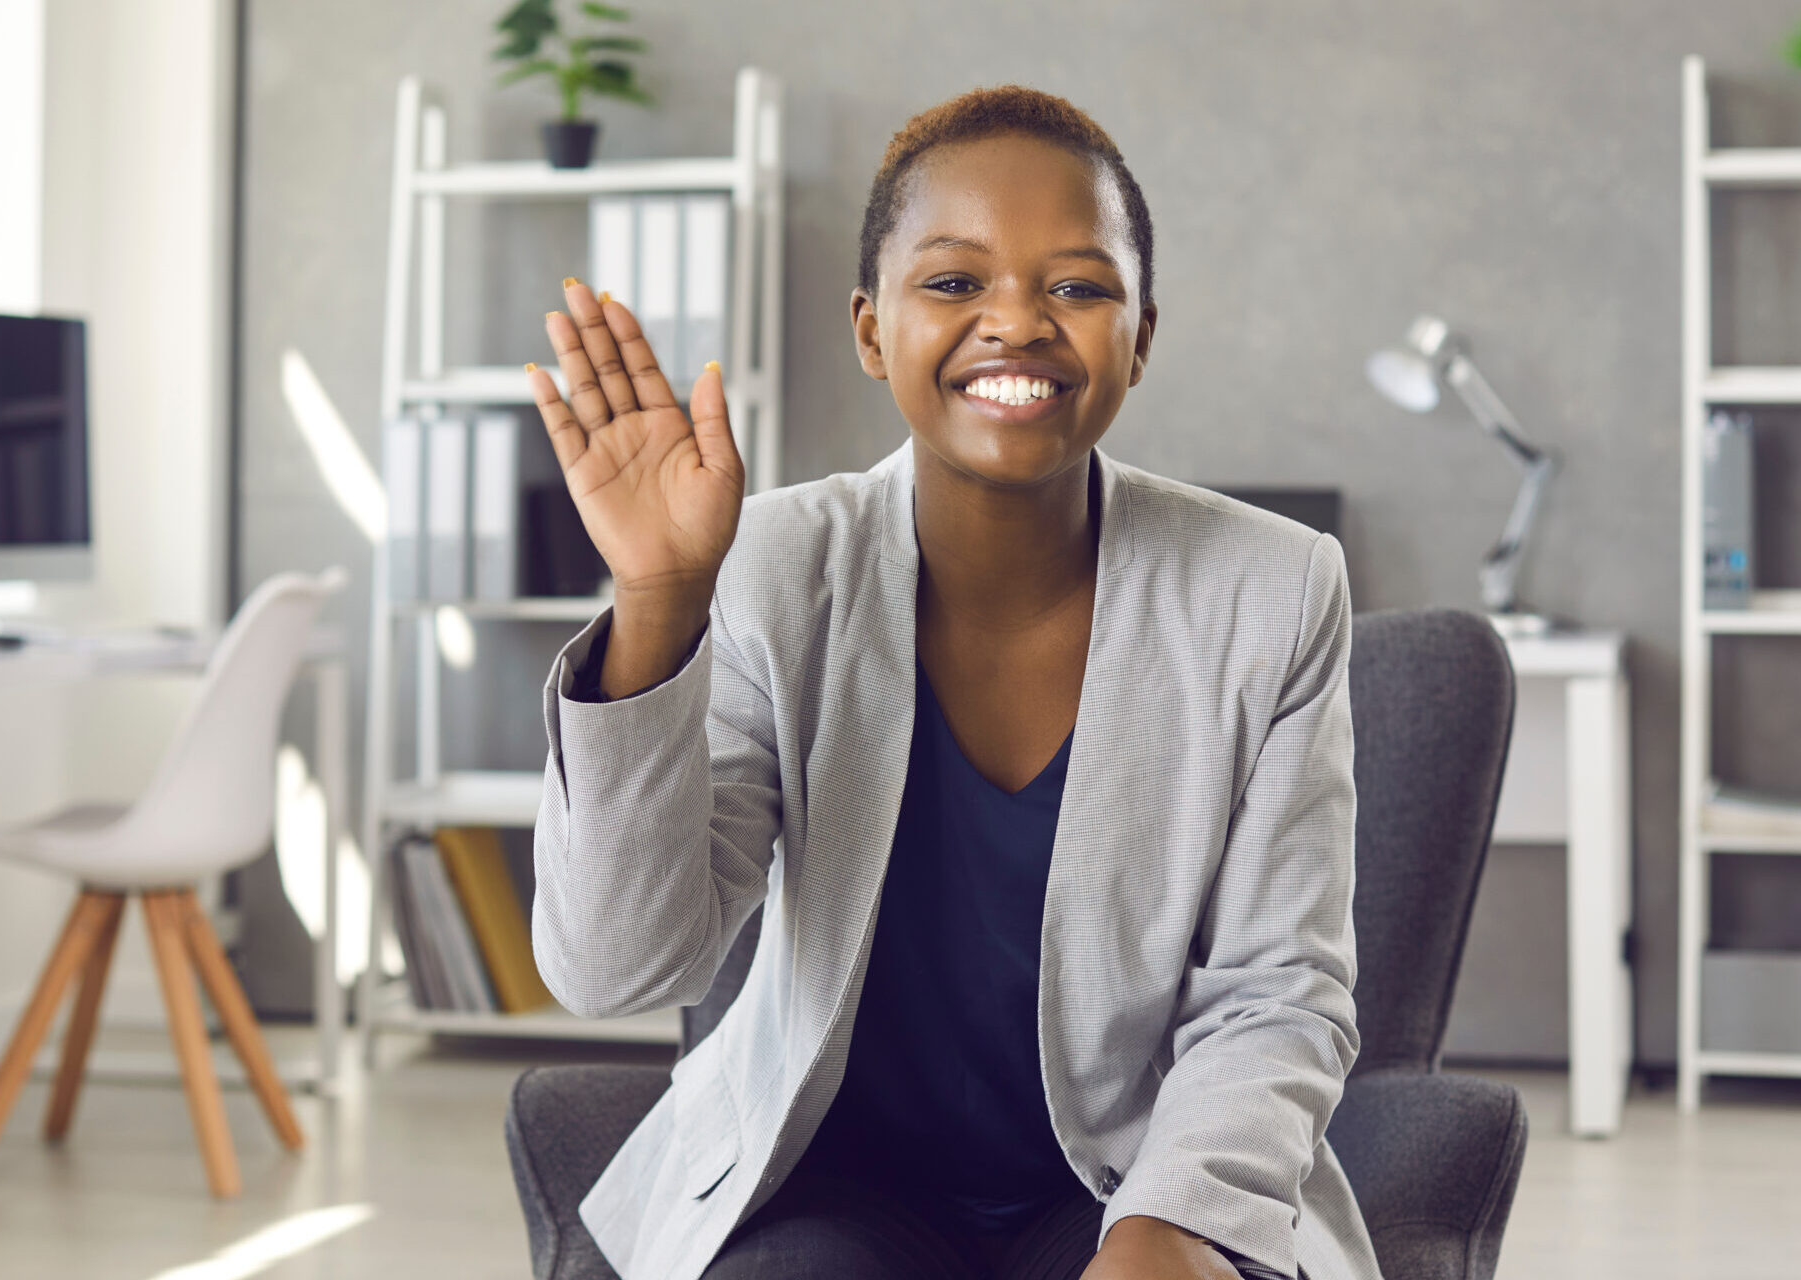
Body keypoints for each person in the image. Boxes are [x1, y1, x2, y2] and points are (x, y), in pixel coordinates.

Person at [521, 85, 1374, 1280]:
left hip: (1135, 1175)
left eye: (1077, 286)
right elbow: (618, 966)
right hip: (821, 1185)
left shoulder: (1273, 586)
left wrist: (1169, 1228)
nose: (1016, 322)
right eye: (954, 282)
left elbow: (1279, 990)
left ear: (1141, 333)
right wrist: (662, 600)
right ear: (873, 331)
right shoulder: (773, 564)